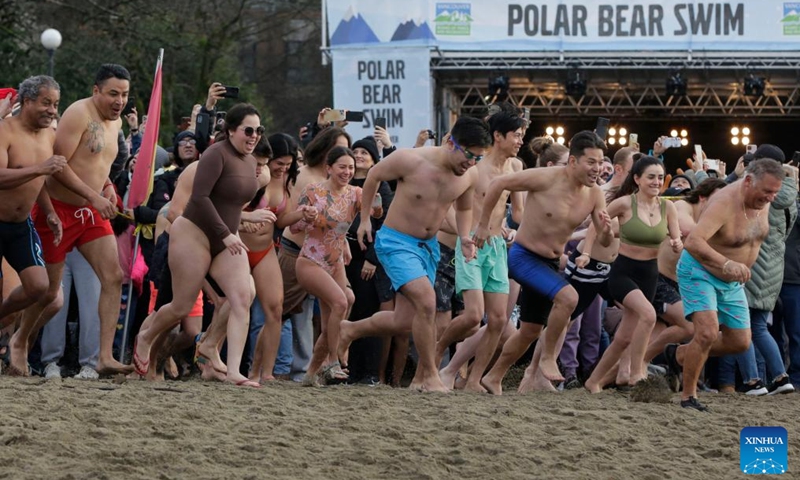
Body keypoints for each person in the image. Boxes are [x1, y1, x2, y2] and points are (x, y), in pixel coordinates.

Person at [338, 116, 492, 392]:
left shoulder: (469, 174)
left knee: (404, 321)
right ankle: (430, 376)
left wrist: (465, 236)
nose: (471, 163)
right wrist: (363, 219)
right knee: (427, 300)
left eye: (478, 158)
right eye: (469, 155)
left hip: (428, 247)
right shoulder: (410, 160)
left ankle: (350, 329)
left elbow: (465, 209)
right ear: (450, 142)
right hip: (396, 241)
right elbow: (373, 176)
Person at [133, 103, 263, 387]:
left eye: (259, 131)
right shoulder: (216, 154)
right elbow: (201, 198)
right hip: (193, 233)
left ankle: (232, 371)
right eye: (249, 130)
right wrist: (226, 234)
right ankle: (144, 337)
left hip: (225, 238)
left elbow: (232, 204)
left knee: (243, 297)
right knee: (180, 307)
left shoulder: (251, 162)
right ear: (231, 131)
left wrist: (241, 224)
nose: (254, 136)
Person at [476, 130, 613, 394]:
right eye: (591, 162)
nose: (598, 169)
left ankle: (493, 377)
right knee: (568, 298)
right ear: (573, 162)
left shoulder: (594, 194)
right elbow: (497, 184)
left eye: (600, 162)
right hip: (523, 256)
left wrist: (606, 230)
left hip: (549, 263)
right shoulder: (545, 178)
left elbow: (605, 242)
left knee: (528, 331)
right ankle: (549, 357)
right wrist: (483, 225)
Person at [15, 66, 131, 376]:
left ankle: (103, 357)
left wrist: (105, 188)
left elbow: (98, 162)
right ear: (96, 91)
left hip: (89, 213)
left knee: (114, 275)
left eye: (124, 94)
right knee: (49, 294)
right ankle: (20, 340)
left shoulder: (115, 121)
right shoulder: (78, 113)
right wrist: (93, 197)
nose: (120, 101)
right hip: (58, 209)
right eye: (113, 94)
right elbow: (59, 166)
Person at [665, 158, 786, 411]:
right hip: (700, 270)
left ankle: (679, 355)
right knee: (707, 333)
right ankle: (688, 397)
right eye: (767, 191)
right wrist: (727, 264)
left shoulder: (761, 200)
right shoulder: (724, 202)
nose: (771, 198)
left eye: (775, 192)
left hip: (732, 281)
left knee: (740, 342)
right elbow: (694, 242)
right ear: (749, 181)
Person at [434, 112, 525, 392]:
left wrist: (516, 231)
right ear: (498, 136)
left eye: (522, 135)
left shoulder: (516, 166)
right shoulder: (475, 166)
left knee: (498, 320)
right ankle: (435, 352)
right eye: (517, 135)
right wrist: (464, 235)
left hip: (496, 246)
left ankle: (473, 380)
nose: (521, 140)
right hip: (470, 245)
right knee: (474, 316)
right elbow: (451, 206)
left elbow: (518, 213)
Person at [583, 156, 683, 392]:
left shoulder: (668, 207)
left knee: (624, 337)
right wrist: (586, 253)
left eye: (660, 177)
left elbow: (676, 237)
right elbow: (595, 226)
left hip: (650, 274)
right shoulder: (626, 203)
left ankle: (594, 380)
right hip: (623, 272)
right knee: (648, 315)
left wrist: (678, 244)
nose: (657, 182)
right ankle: (638, 372)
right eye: (651, 177)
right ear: (637, 179)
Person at [293, 146, 383, 384]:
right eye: (342, 167)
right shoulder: (313, 191)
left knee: (339, 310)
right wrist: (305, 215)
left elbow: (376, 213)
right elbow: (292, 228)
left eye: (351, 167)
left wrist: (377, 201)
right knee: (341, 301)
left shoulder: (355, 193)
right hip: (311, 260)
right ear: (329, 168)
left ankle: (311, 373)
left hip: (336, 263)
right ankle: (333, 360)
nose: (347, 171)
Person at [0, 75, 65, 349]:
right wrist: (40, 169)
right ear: (27, 101)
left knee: (39, 287)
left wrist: (50, 212)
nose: (52, 110)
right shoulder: (5, 130)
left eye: (56, 104)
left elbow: (37, 182)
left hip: (19, 225)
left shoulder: (49, 135)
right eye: (46, 103)